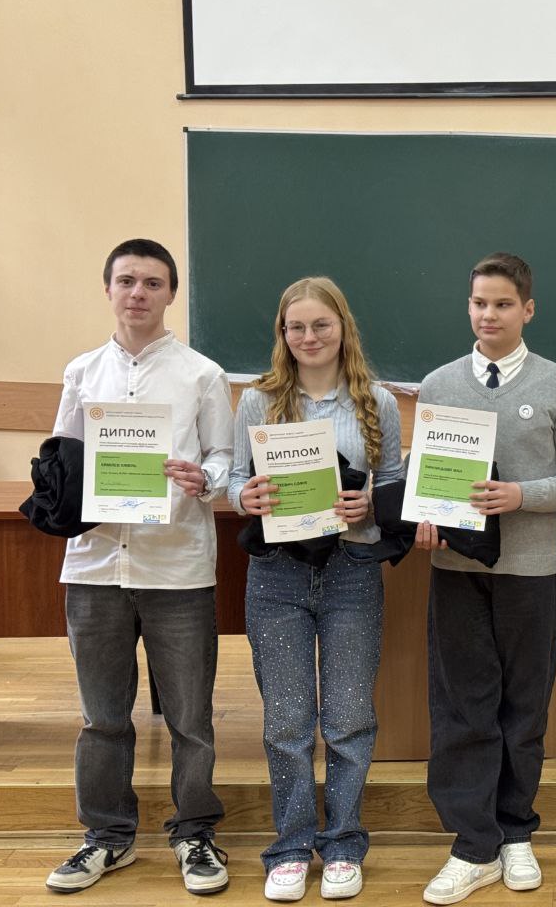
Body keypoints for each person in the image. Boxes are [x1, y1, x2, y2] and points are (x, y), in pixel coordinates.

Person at [45, 238, 234, 895]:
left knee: (190, 721)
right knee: (103, 717)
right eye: (126, 280)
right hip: (94, 568)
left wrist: (203, 478)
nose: (138, 293)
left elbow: (223, 460)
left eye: (153, 283)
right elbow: (62, 461)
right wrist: (65, 487)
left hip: (177, 569)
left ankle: (195, 833)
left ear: (171, 294)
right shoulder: (81, 372)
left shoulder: (203, 375)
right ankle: (106, 836)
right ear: (108, 289)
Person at [413, 252, 556, 906]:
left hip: (533, 573)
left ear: (528, 309)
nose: (487, 315)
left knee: (524, 708)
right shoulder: (438, 384)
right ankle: (473, 845)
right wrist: (424, 517)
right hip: (456, 572)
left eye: (501, 304)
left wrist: (521, 495)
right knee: (463, 708)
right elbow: (427, 475)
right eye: (478, 303)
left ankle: (516, 831)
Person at [230, 277, 402, 902]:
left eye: (321, 324)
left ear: (342, 327)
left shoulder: (377, 402)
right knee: (287, 720)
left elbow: (395, 483)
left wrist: (370, 505)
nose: (309, 336)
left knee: (350, 718)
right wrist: (245, 497)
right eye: (296, 326)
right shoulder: (258, 401)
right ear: (283, 333)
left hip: (352, 570)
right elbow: (234, 479)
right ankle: (291, 846)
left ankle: (344, 843)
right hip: (277, 574)